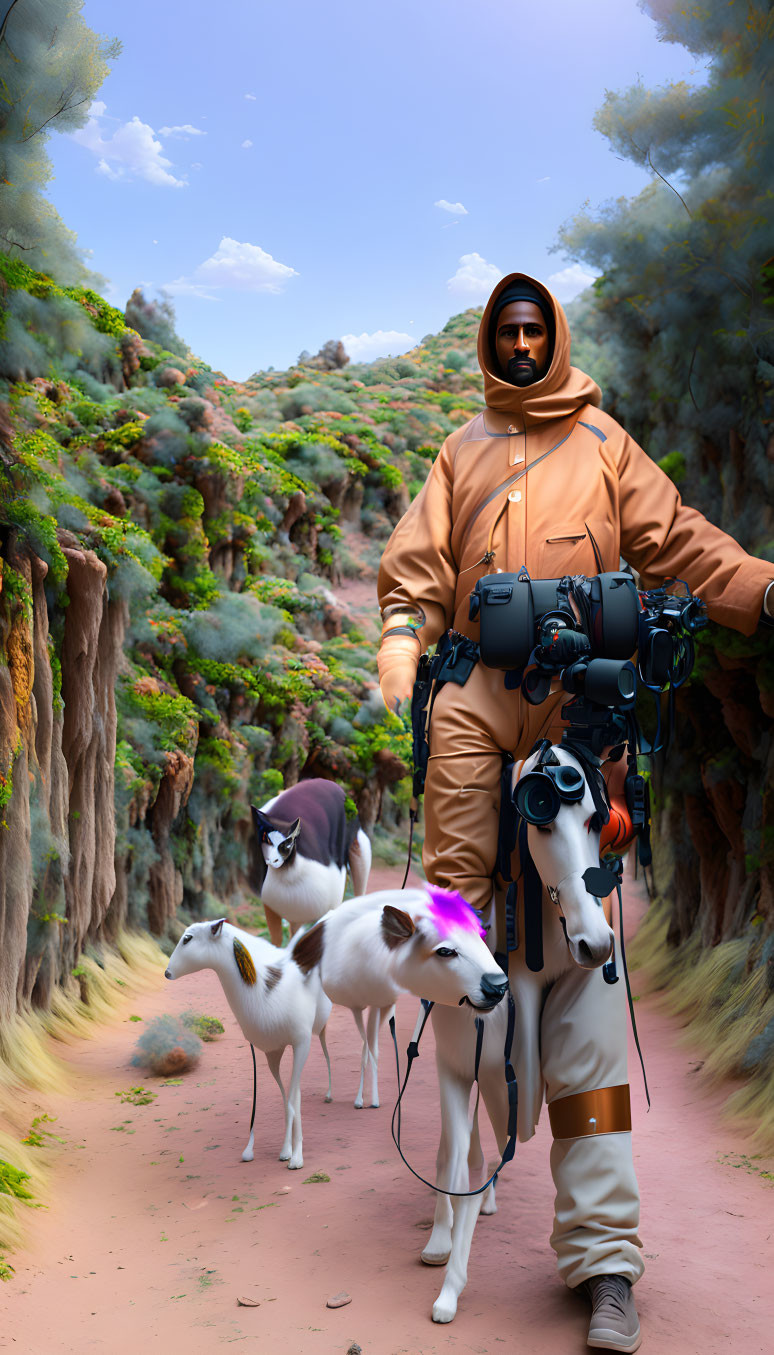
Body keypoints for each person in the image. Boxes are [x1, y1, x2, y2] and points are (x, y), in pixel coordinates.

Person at [376, 273, 774, 1352]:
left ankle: (606, 1256)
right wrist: (400, 633)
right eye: (502, 331)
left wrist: (760, 587)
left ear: (552, 338)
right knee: (464, 917)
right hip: (471, 695)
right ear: (486, 342)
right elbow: (414, 563)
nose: (515, 343)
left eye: (530, 329)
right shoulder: (459, 449)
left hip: (579, 701)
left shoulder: (604, 443)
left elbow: (682, 541)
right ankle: (483, 1135)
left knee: (588, 961)